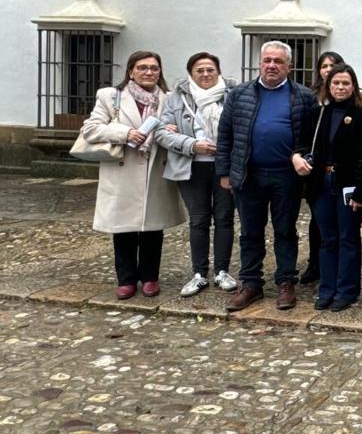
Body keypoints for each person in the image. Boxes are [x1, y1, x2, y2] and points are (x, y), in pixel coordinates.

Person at [217, 40, 318, 313]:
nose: (272, 65)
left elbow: (311, 139)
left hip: (286, 177)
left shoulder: (304, 96)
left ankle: (286, 281)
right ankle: (250, 283)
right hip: (249, 175)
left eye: (278, 61)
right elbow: (225, 134)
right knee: (250, 232)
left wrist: (302, 157)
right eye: (267, 60)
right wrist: (224, 171)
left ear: (289, 66)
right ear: (260, 63)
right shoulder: (239, 94)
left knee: (285, 231)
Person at [80, 51, 185, 299]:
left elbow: (181, 126)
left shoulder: (169, 99)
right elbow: (91, 128)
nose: (149, 72)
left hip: (155, 170)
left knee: (153, 228)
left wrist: (170, 129)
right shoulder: (111, 96)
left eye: (154, 68)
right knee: (123, 228)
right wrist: (125, 134)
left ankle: (150, 277)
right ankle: (126, 279)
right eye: (142, 67)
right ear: (131, 71)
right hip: (122, 169)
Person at [296, 63, 362, 312]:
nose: (340, 87)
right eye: (336, 83)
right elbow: (302, 145)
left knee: (347, 238)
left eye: (345, 83)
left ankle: (347, 291)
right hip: (321, 184)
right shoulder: (316, 114)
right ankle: (327, 289)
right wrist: (297, 158)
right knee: (327, 239)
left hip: (349, 186)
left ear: (353, 87)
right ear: (328, 86)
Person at [160, 52, 238, 297]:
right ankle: (199, 273)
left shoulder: (233, 95)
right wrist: (192, 145)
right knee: (199, 219)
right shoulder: (175, 98)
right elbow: (161, 132)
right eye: (199, 70)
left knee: (225, 218)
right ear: (191, 74)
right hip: (192, 166)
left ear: (218, 72)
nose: (205, 74)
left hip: (224, 166)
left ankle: (222, 271)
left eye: (210, 70)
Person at [300, 50, 346, 286]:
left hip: (339, 168)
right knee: (316, 220)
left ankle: (334, 264)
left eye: (333, 65)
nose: (328, 69)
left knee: (338, 222)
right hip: (315, 167)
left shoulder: (348, 92)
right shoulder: (311, 97)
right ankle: (314, 263)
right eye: (324, 66)